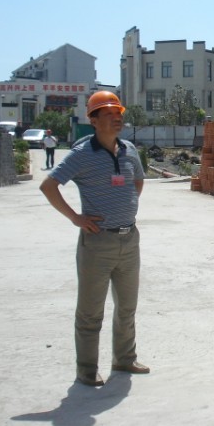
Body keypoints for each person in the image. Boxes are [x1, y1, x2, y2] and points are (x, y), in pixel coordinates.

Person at [39, 91, 149, 387]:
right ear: (94, 120)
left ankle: (124, 358)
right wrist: (75, 217)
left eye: (118, 113)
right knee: (91, 310)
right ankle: (87, 368)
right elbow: (49, 186)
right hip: (98, 242)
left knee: (127, 307)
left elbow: (138, 180)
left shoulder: (129, 149)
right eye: (108, 113)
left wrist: (125, 204)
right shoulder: (82, 153)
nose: (116, 118)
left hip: (129, 239)